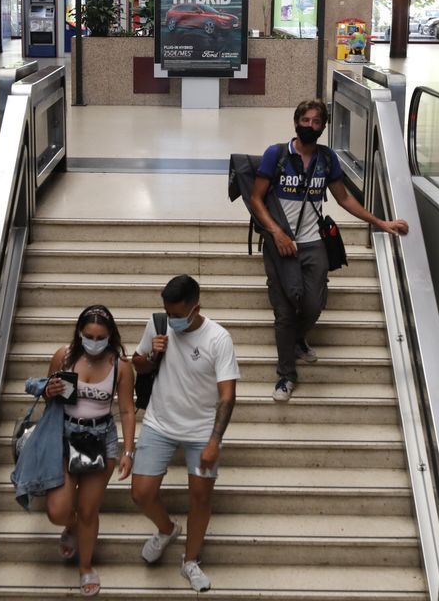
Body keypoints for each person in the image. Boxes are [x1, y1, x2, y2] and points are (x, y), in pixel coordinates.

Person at [248, 100, 409, 402]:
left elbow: (344, 198)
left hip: (313, 243)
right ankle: (286, 376)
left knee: (313, 305)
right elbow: (256, 198)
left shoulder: (327, 158)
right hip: (280, 243)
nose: (310, 126)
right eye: (305, 120)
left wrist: (380, 222)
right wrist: (277, 232)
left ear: (324, 126)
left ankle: (298, 339)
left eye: (316, 122)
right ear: (296, 122)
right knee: (284, 312)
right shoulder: (276, 155)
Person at [130, 275, 238, 592]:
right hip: (159, 422)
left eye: (177, 315)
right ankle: (167, 529)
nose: (171, 320)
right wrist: (151, 355)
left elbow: (228, 396)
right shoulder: (158, 324)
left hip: (201, 430)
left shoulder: (218, 338)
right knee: (141, 493)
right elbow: (138, 364)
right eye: (168, 312)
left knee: (200, 498)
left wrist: (214, 441)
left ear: (195, 309)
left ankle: (190, 561)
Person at [28, 304, 136, 597]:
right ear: (79, 333)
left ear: (110, 336)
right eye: (89, 336)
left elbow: (127, 410)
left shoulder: (121, 366)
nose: (94, 342)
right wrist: (48, 391)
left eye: (100, 337)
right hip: (63, 436)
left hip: (100, 440)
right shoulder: (64, 356)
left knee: (89, 510)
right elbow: (48, 396)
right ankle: (72, 526)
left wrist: (128, 451)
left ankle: (86, 566)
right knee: (58, 511)